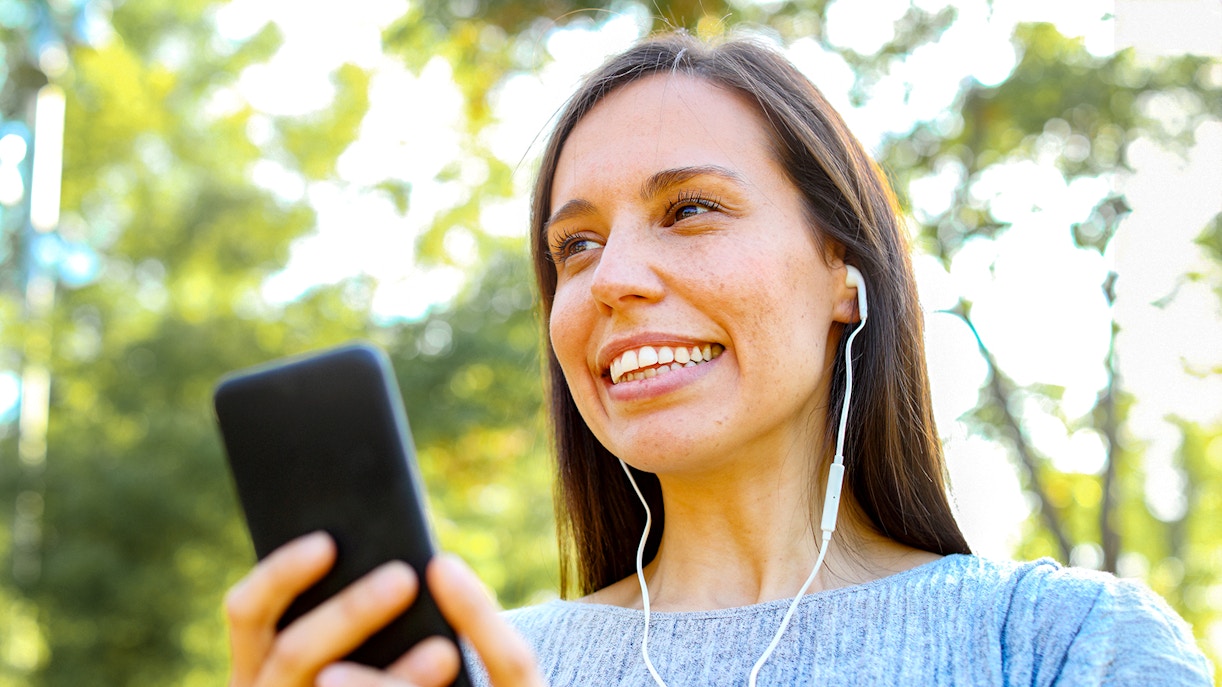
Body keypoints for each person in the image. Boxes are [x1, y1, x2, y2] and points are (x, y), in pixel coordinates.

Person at [223, 31, 1214, 687]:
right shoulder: (477, 668)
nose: (611, 277)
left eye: (687, 209)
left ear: (844, 272)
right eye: (574, 246)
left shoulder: (1062, 649)